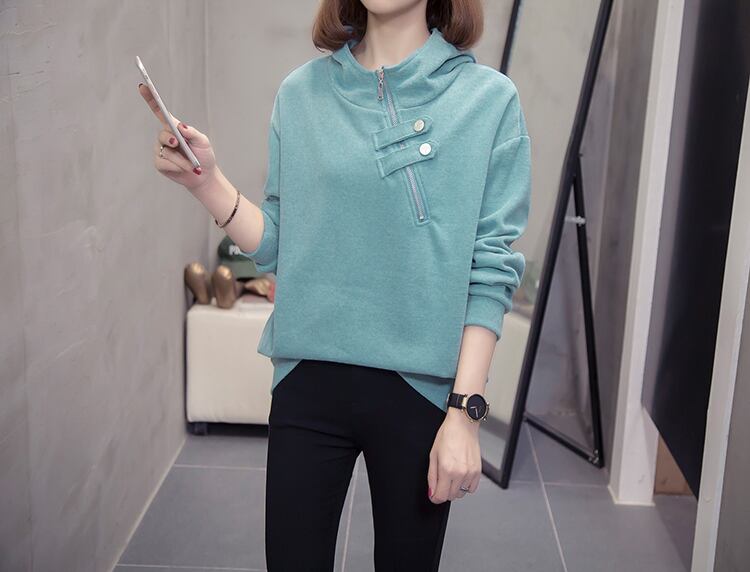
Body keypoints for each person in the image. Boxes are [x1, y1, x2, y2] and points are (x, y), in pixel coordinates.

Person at [138, 0, 531, 569]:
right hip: (308, 381)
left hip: (420, 392)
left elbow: (491, 268)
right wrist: (206, 181)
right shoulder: (300, 94)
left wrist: (465, 413)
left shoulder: (489, 101)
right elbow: (279, 241)